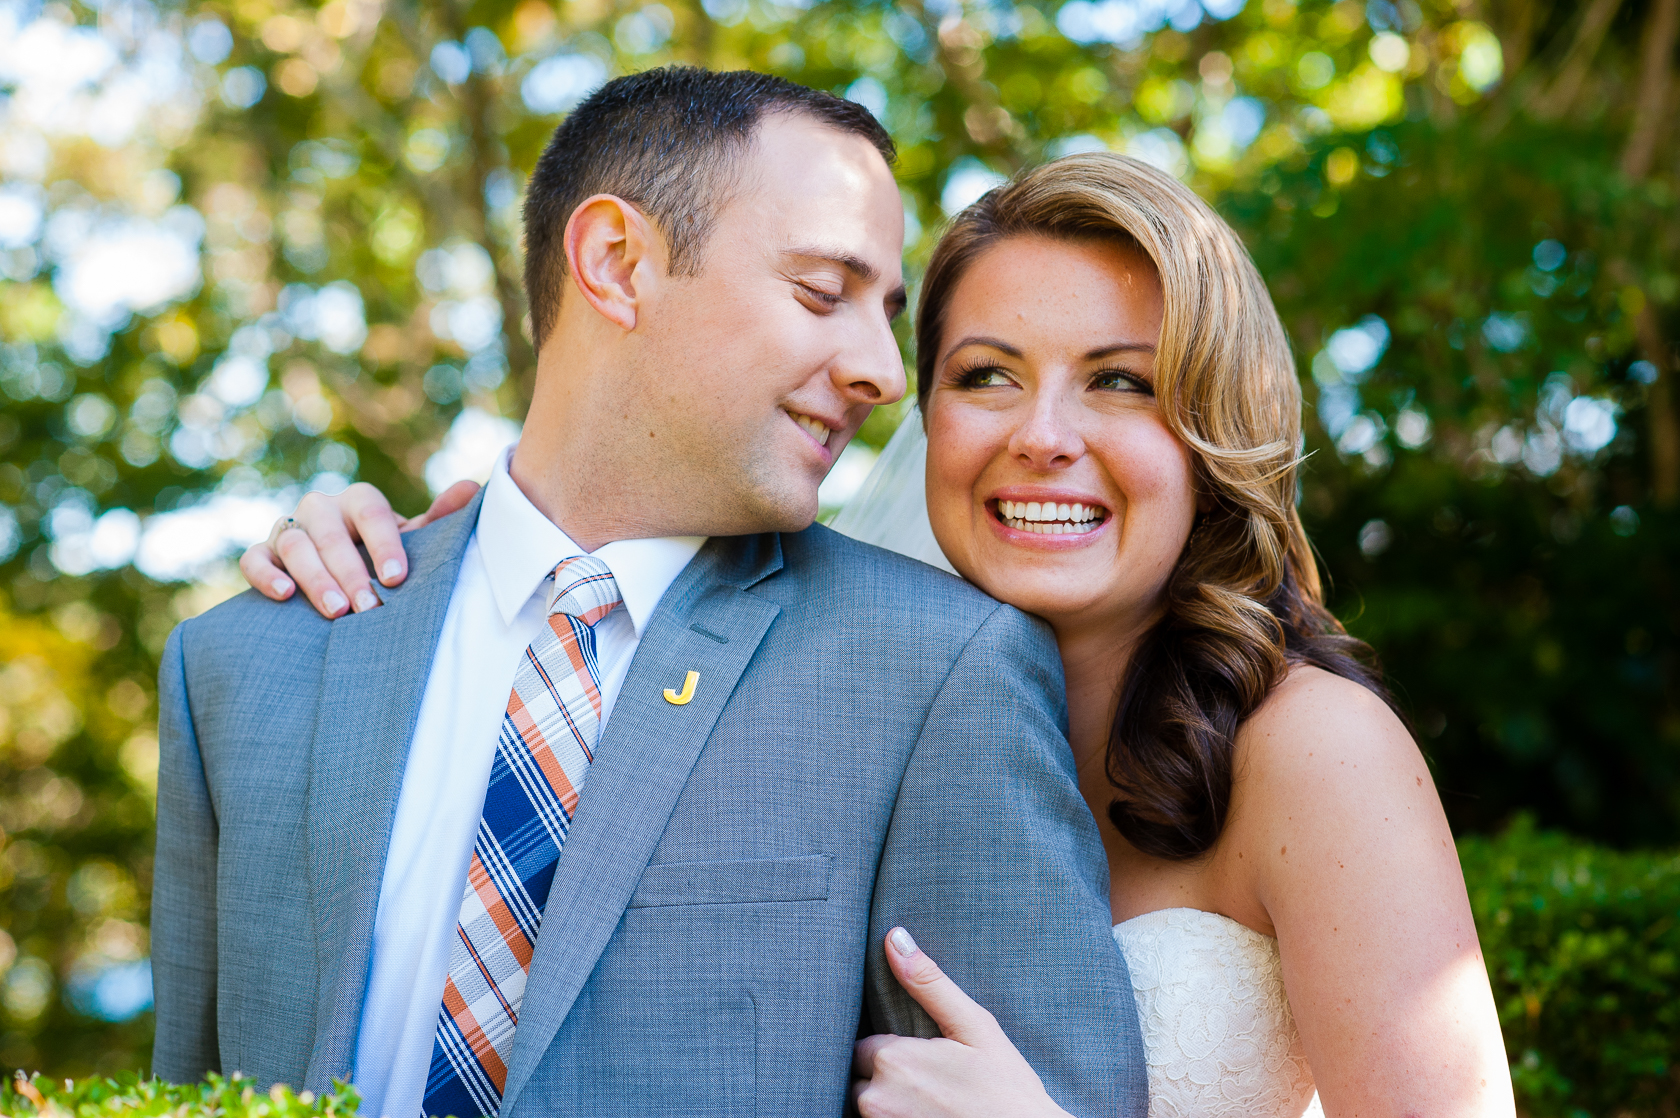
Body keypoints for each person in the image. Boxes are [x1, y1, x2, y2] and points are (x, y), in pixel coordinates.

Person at [255, 151, 1516, 1117]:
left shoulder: (1312, 752)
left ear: (1214, 427)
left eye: (1122, 380)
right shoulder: (819, 687)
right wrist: (422, 574)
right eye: (987, 374)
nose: (1044, 434)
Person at [155, 68, 1148, 1118]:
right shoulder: (243, 664)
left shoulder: (939, 669)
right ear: (617, 263)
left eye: (885, 312)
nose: (881, 372)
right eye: (822, 291)